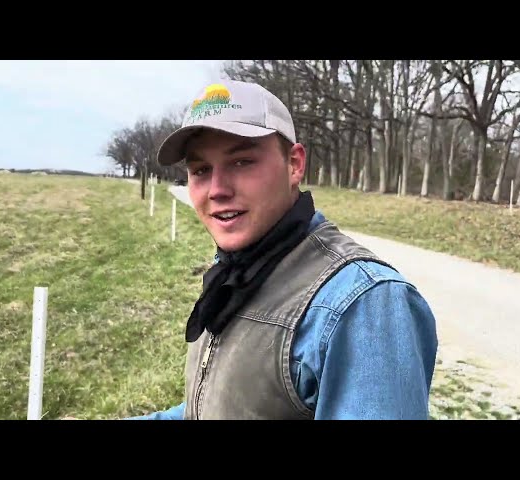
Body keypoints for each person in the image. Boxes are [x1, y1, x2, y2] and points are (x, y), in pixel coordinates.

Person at [130, 79, 438, 420]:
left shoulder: (363, 304)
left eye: (241, 162)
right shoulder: (237, 272)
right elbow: (221, 406)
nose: (216, 189)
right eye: (201, 170)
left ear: (294, 164)